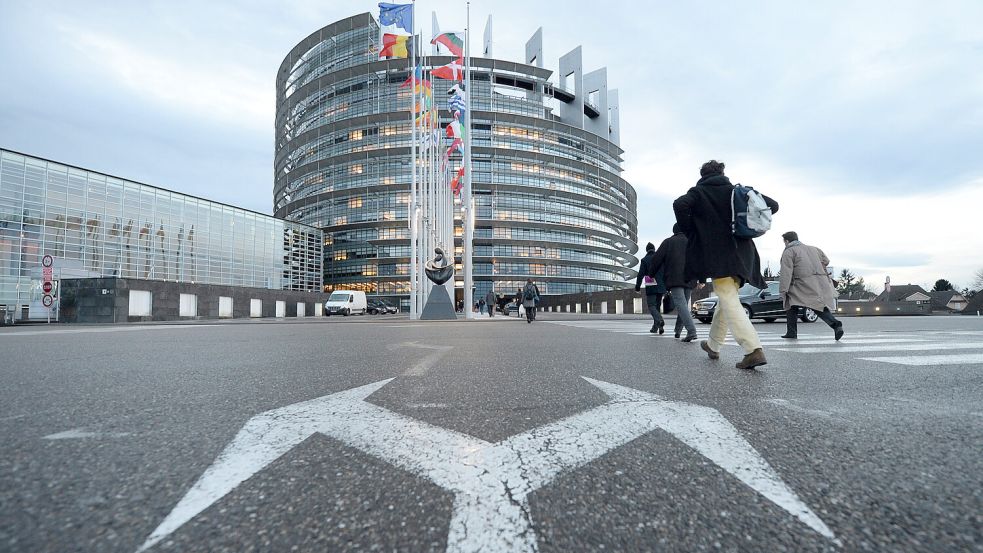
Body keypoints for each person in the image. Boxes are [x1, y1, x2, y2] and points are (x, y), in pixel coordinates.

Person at [673, 160, 779, 369]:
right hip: (745, 254)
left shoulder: (699, 192)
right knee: (726, 299)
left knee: (728, 298)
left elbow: (679, 204)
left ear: (702, 175)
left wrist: (691, 228)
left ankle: (753, 349)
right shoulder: (737, 192)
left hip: (719, 255)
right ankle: (713, 345)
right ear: (722, 173)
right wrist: (748, 221)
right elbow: (773, 205)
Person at [778, 231, 844, 340]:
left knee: (790, 304)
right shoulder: (814, 249)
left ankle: (792, 332)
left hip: (800, 284)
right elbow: (826, 261)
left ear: (786, 241)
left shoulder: (789, 251)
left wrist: (783, 289)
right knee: (817, 305)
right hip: (819, 282)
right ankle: (836, 325)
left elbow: (786, 272)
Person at [649, 224, 698, 341]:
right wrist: (701, 279)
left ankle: (691, 331)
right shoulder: (692, 241)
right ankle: (678, 331)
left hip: (675, 278)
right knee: (684, 306)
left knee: (681, 305)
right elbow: (700, 260)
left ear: (674, 231)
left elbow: (656, 259)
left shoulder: (669, 242)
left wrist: (651, 274)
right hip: (690, 278)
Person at [634, 242, 667, 334]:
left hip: (651, 283)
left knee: (651, 306)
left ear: (646, 250)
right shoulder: (661, 258)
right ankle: (656, 328)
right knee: (656, 307)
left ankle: (660, 320)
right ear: (654, 249)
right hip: (661, 285)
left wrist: (637, 287)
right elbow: (666, 272)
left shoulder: (645, 260)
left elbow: (640, 274)